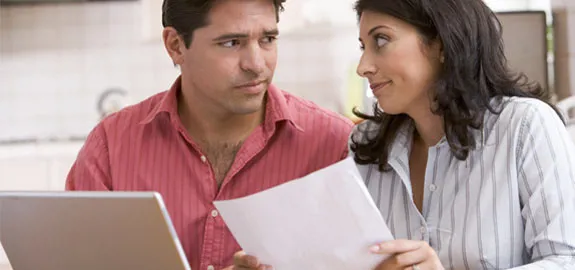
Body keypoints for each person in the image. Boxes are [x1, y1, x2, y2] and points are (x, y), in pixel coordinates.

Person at [233, 0, 575, 269]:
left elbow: (566, 260)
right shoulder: (364, 147)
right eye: (363, 45)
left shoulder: (525, 128)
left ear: (442, 42)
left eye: (381, 40)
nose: (363, 65)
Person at [65, 0, 353, 269]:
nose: (256, 64)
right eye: (231, 43)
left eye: (267, 39)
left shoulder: (337, 146)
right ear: (176, 45)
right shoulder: (111, 147)